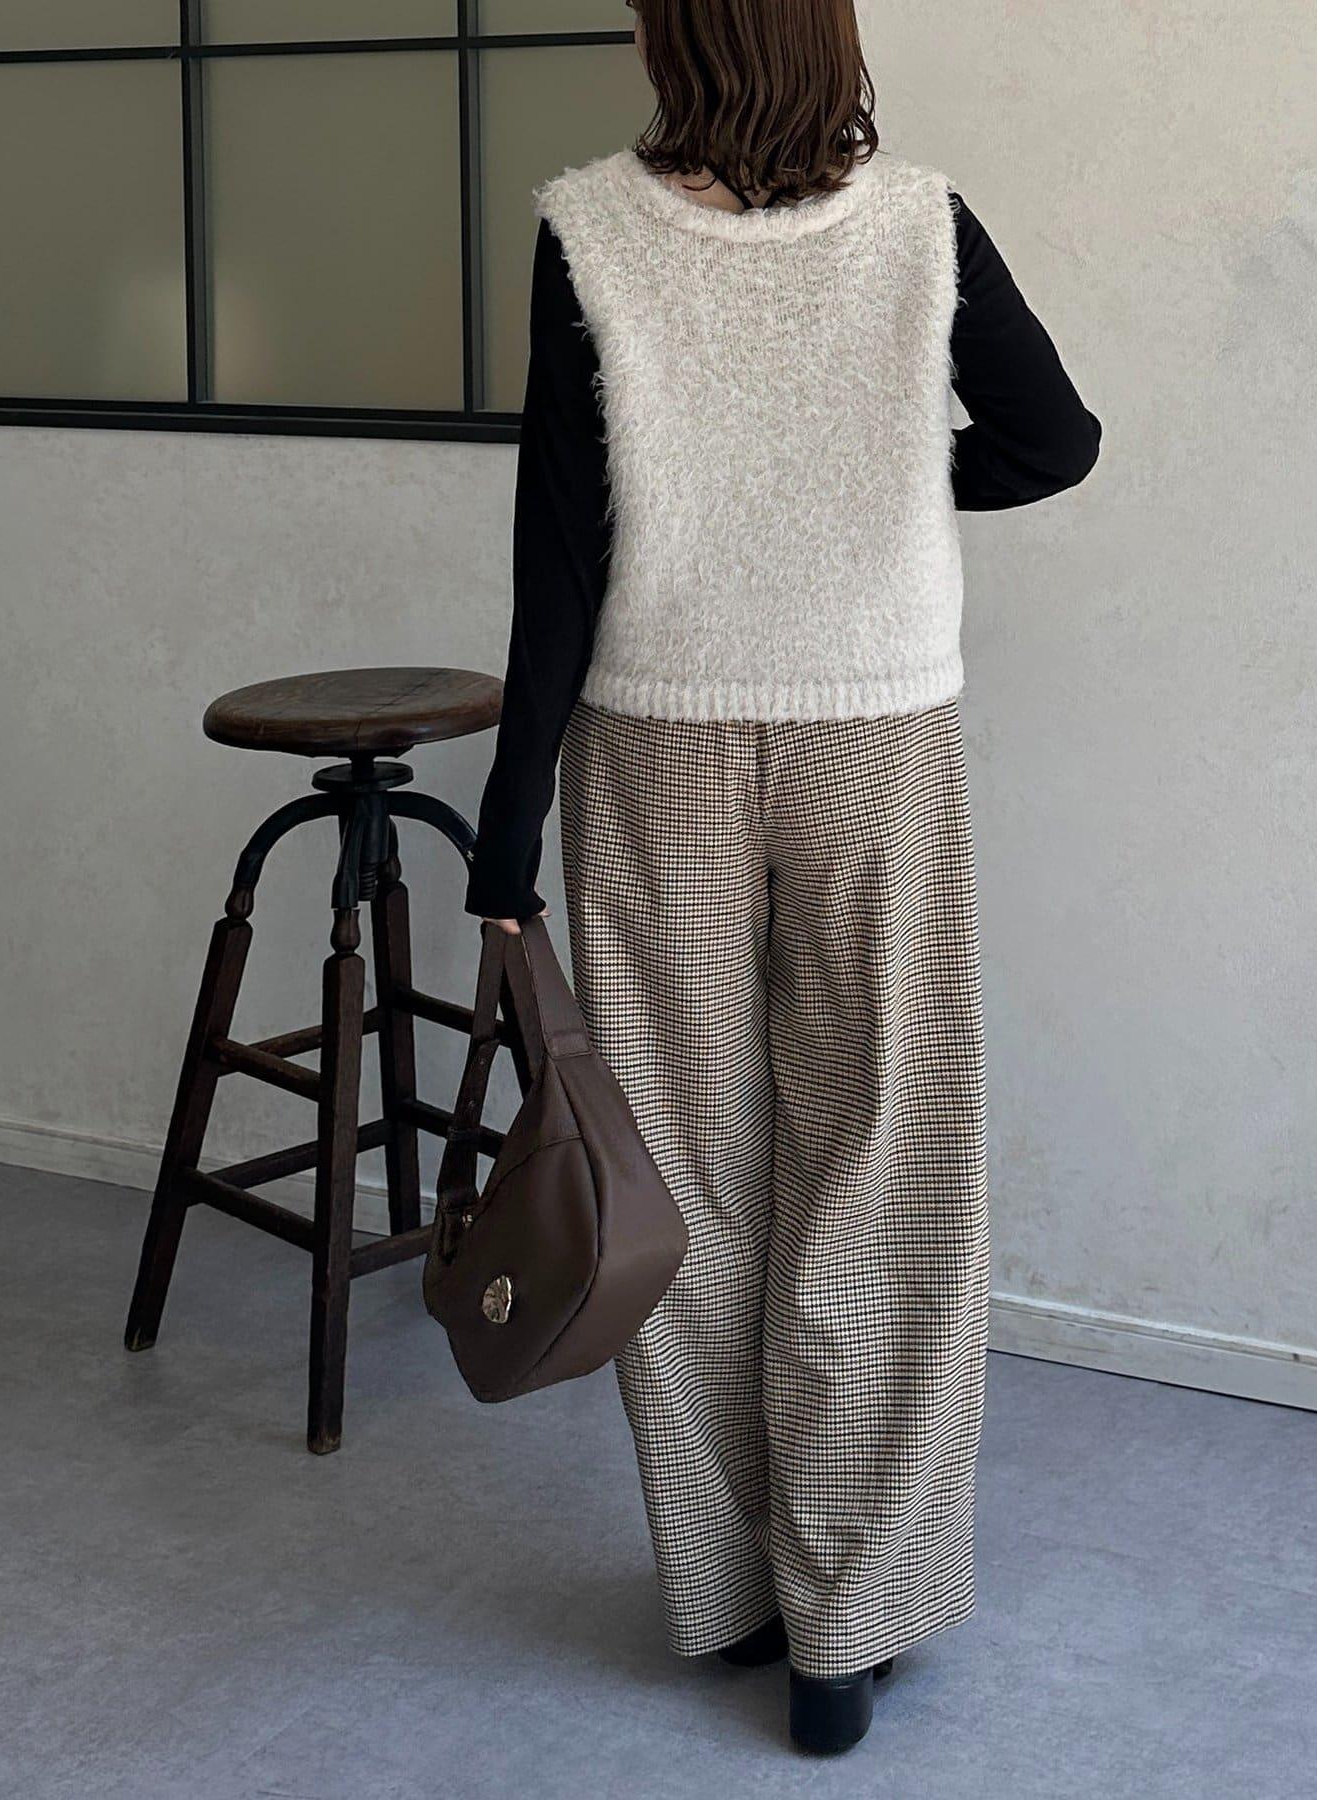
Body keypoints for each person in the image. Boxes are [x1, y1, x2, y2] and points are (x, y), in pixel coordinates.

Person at [466, 0, 1101, 1757]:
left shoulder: (588, 231)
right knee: (883, 1157)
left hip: (650, 745)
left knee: (676, 1169)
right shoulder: (922, 225)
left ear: (683, 41)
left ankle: (730, 1595)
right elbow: (1056, 440)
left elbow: (560, 549)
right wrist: (881, 469)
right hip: (872, 741)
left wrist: (505, 834)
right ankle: (850, 1622)